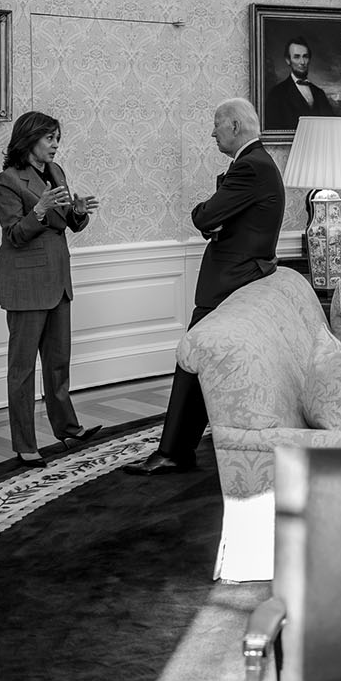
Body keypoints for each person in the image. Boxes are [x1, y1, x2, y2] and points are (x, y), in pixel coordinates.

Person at [128, 98, 284, 475]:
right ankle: (178, 448)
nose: (212, 133)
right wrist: (216, 218)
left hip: (229, 285)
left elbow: (205, 214)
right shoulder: (259, 165)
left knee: (190, 358)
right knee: (197, 362)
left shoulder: (249, 167)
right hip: (241, 279)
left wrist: (208, 216)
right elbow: (221, 218)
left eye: (216, 125)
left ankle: (173, 452)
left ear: (234, 126)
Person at [0, 111, 103, 468]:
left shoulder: (57, 172)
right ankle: (25, 445)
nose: (56, 145)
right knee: (22, 370)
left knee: (58, 363)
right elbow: (15, 235)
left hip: (57, 280)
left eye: (58, 138)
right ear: (29, 140)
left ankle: (68, 428)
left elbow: (68, 224)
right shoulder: (7, 181)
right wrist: (38, 210)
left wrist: (79, 213)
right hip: (25, 283)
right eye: (50, 138)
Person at [262, 36, 338, 131]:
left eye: (305, 56)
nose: (302, 62)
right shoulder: (277, 94)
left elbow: (331, 126)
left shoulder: (319, 93)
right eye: (297, 57)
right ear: (288, 60)